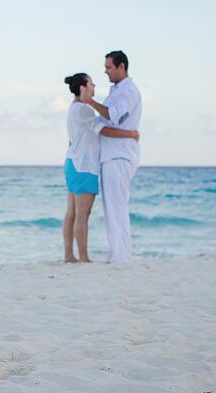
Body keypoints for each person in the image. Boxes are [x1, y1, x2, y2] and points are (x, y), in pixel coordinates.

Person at [63, 73, 139, 263]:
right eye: (91, 83)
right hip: (84, 166)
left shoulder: (73, 108)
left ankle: (69, 256)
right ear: (82, 88)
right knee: (83, 215)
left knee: (71, 213)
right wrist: (130, 134)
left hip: (72, 163)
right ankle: (83, 258)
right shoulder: (84, 110)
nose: (94, 86)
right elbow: (103, 130)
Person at [85, 50, 142, 263]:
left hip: (119, 155)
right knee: (113, 208)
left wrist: (90, 102)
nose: (105, 71)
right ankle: (118, 254)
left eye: (109, 67)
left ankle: (121, 257)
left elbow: (114, 116)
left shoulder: (128, 91)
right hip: (111, 155)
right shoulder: (117, 91)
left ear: (121, 67)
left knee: (117, 208)